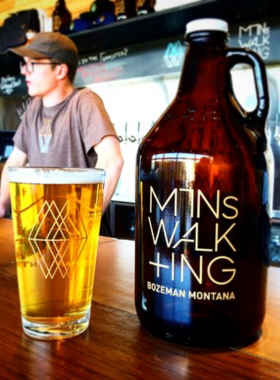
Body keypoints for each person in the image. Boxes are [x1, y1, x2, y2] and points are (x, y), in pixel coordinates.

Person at [0, 32, 124, 234]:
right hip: (42, 232)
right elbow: (15, 161)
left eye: (33, 64)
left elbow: (112, 160)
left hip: (79, 239)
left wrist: (84, 224)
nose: (25, 72)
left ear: (60, 70)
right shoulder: (34, 108)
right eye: (24, 64)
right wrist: (1, 205)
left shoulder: (84, 101)